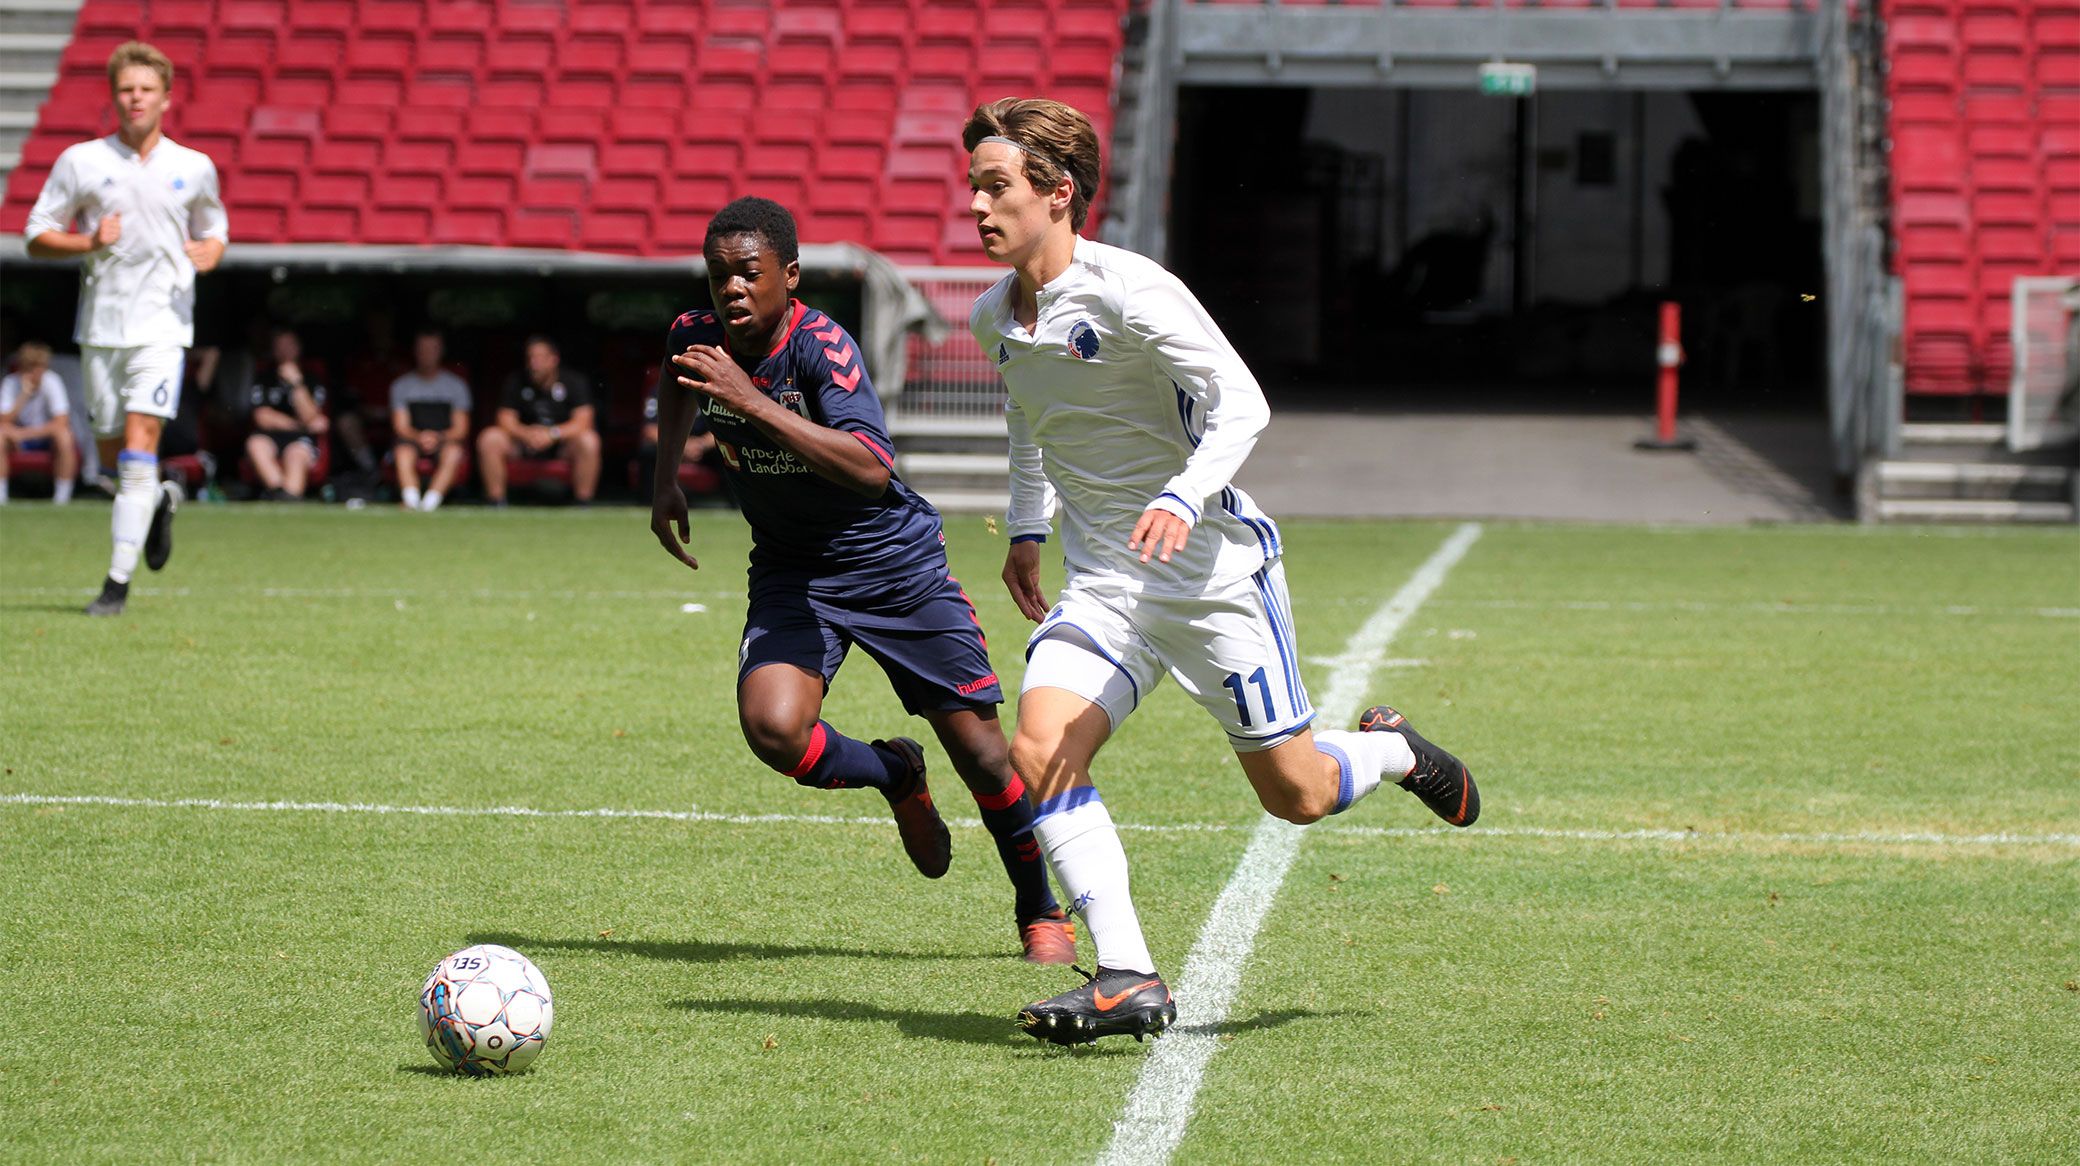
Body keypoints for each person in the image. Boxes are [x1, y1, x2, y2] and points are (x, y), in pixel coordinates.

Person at [962, 98, 1480, 1045]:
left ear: (1059, 192)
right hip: (1107, 588)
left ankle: (1396, 751)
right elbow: (1028, 417)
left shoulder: (1132, 291)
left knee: (1298, 796)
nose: (980, 207)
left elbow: (1242, 404)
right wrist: (1027, 530)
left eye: (997, 187)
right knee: (1037, 748)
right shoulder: (996, 312)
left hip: (1209, 579)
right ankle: (1126, 976)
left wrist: (1182, 495)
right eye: (975, 188)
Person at [650, 196, 1074, 963]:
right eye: (719, 279)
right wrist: (665, 480)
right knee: (775, 731)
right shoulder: (697, 335)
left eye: (749, 275)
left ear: (790, 276)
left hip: (891, 565)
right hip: (792, 568)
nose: (732, 291)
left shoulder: (823, 348)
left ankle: (1039, 907)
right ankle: (894, 771)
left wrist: (750, 402)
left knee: (981, 755)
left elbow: (871, 469)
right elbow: (676, 379)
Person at [23, 40, 226, 615]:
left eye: (145, 89)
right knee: (116, 460)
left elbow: (214, 224)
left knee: (139, 447)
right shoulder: (82, 162)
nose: (135, 99)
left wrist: (212, 248)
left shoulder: (193, 167)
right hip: (102, 327)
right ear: (114, 97)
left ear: (166, 97)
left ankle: (115, 585)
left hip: (163, 327)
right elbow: (36, 236)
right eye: (125, 90)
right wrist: (87, 241)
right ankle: (160, 498)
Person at [477, 336, 598, 506]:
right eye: (531, 358)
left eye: (540, 358)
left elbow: (584, 421)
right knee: (489, 437)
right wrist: (526, 433)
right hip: (524, 443)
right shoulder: (516, 381)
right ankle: (497, 501)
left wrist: (552, 434)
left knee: (589, 440)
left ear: (554, 360)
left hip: (562, 444)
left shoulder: (574, 381)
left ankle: (582, 502)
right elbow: (505, 419)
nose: (534, 364)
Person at [388, 327, 473, 511]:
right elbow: (400, 426)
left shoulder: (456, 386)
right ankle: (411, 501)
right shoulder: (401, 386)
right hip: (412, 440)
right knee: (402, 452)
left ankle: (430, 504)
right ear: (415, 351)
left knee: (453, 453)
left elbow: (461, 428)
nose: (427, 354)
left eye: (432, 349)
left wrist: (438, 437)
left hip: (444, 441)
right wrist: (419, 437)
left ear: (441, 351)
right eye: (422, 349)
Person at [243, 327, 329, 501]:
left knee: (295, 454)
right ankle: (279, 494)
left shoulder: (311, 379)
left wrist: (296, 384)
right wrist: (301, 426)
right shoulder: (264, 378)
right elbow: (263, 418)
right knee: (256, 444)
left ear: (298, 348)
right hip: (272, 436)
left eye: (288, 345)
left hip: (301, 441)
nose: (284, 351)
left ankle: (291, 498)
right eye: (279, 346)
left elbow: (311, 416)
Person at [0, 341, 80, 504]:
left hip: (42, 438)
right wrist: (23, 395)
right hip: (16, 441)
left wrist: (23, 434)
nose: (35, 372)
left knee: (64, 436)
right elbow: (4, 420)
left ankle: (62, 498)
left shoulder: (52, 381)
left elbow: (61, 422)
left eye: (39, 367)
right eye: (30, 367)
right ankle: (1, 496)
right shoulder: (10, 382)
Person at [638, 381, 724, 502]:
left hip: (702, 447)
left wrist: (701, 444)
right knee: (647, 451)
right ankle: (652, 501)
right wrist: (681, 446)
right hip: (671, 445)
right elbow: (649, 430)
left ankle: (732, 503)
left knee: (728, 450)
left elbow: (725, 429)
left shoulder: (713, 390)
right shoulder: (661, 389)